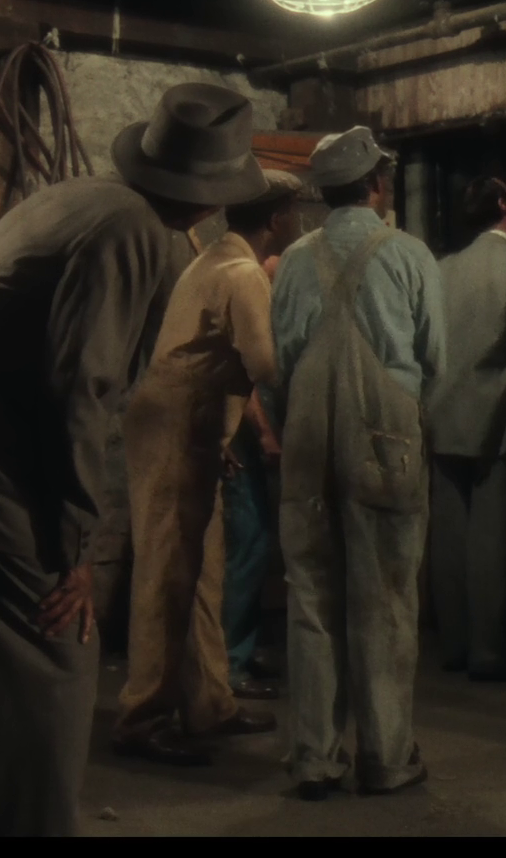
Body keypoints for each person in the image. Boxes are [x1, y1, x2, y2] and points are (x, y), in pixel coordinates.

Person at [0, 83, 266, 835]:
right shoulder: (131, 230)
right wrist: (72, 547)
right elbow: (81, 387)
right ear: (209, 198)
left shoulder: (82, 196)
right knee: (58, 648)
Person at [266, 126, 447, 802]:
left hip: (307, 434)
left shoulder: (293, 261)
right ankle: (387, 758)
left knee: (311, 596)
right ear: (375, 184)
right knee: (387, 599)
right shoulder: (408, 254)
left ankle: (315, 757)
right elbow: (436, 358)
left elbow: (280, 365)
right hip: (385, 437)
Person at [113, 169, 304, 766]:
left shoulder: (215, 258)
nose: (299, 222)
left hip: (188, 421)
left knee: (202, 572)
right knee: (167, 574)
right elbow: (266, 364)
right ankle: (143, 716)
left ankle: (208, 702)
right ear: (277, 219)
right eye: (295, 213)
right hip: (176, 424)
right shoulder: (243, 273)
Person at [425, 177, 506, 680]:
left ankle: (455, 644)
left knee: (450, 536)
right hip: (501, 419)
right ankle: (490, 652)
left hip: (442, 415)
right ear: (504, 204)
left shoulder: (441, 271)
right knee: (495, 540)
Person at [221, 252, 290, 701]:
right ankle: (230, 660)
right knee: (249, 544)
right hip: (241, 440)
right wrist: (265, 434)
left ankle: (240, 649)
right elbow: (243, 379)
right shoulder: (245, 298)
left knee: (255, 544)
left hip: (245, 437)